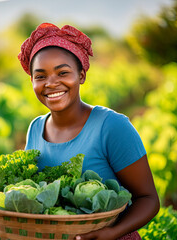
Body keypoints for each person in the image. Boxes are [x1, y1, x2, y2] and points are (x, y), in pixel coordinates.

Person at [18, 23, 160, 240]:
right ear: (32, 81)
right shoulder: (35, 128)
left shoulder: (112, 127)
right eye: (40, 76)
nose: (51, 83)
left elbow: (148, 199)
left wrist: (112, 232)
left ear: (81, 75)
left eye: (63, 72)